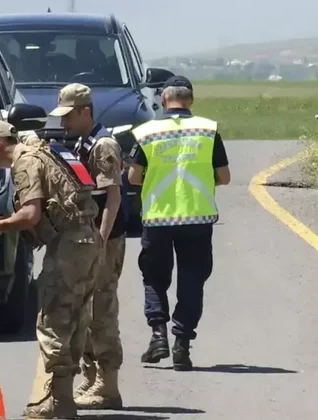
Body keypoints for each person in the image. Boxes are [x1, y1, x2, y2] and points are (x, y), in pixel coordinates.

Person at [0, 120, 101, 419]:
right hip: (86, 240)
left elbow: (30, 215)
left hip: (69, 245)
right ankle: (62, 400)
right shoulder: (41, 152)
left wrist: (0, 226)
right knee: (75, 318)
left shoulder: (24, 163)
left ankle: (58, 401)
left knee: (53, 320)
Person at [127, 75, 231, 371]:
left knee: (154, 278)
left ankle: (158, 334)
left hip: (158, 217)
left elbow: (134, 178)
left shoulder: (147, 133)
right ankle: (182, 344)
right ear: (191, 100)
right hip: (197, 218)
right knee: (192, 280)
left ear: (163, 100)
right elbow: (224, 177)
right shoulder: (208, 131)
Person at [48, 83, 128, 409]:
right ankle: (92, 378)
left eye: (69, 116)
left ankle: (108, 386)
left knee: (101, 311)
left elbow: (113, 196)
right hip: (88, 238)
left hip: (102, 240)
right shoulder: (84, 141)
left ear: (85, 111)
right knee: (85, 308)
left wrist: (101, 239)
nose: (63, 123)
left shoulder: (104, 145)